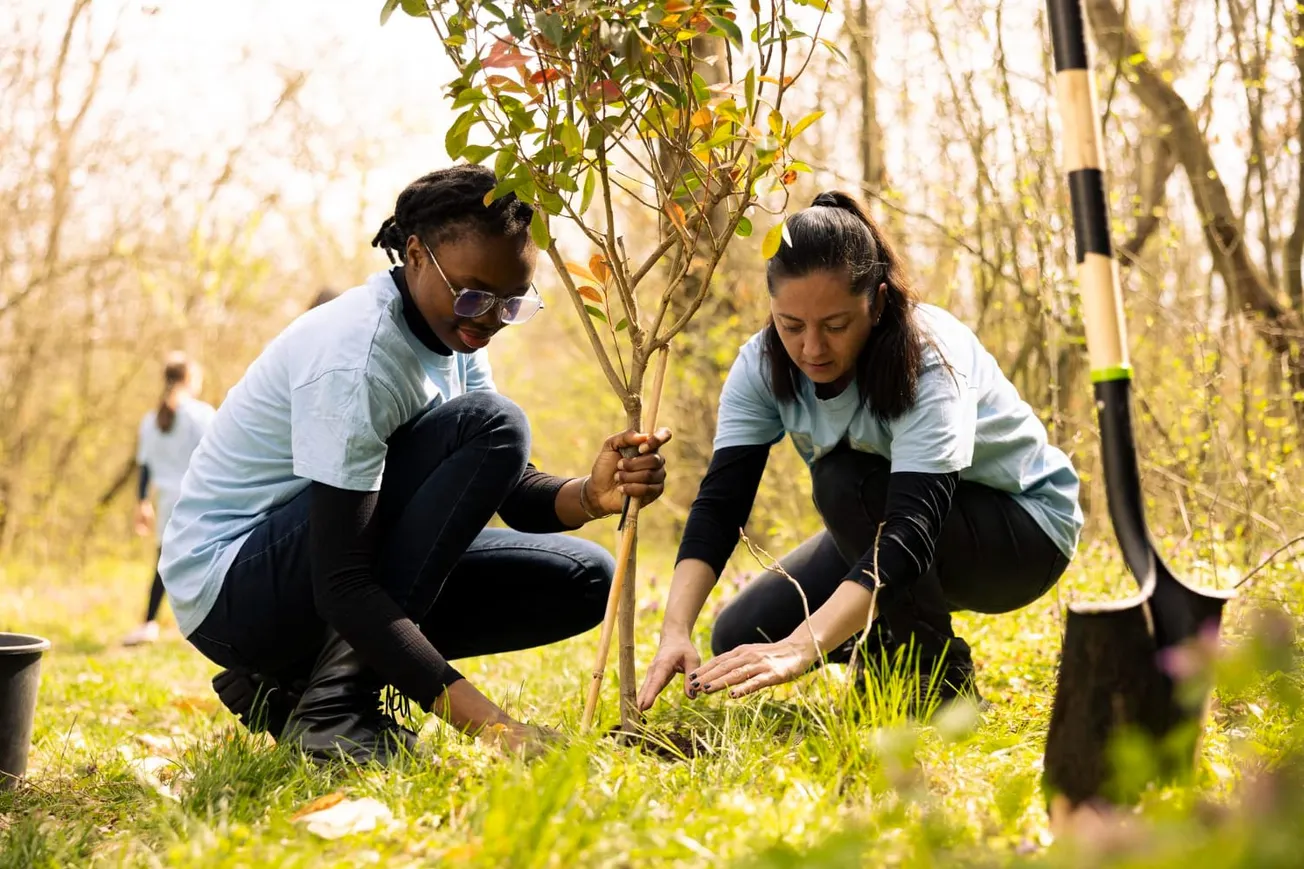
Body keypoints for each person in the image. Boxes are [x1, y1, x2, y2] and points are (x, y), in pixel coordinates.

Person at [160, 164, 671, 764]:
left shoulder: (453, 333)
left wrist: (591, 495)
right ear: (415, 255)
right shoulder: (360, 360)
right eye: (474, 294)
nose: (487, 319)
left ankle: (293, 683)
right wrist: (497, 729)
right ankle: (331, 712)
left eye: (509, 304)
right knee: (496, 421)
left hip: (318, 574)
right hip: (233, 589)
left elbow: (509, 487)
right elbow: (343, 584)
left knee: (584, 578)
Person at [637, 191, 1082, 714]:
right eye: (791, 326)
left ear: (876, 302)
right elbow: (720, 505)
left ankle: (935, 680)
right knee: (741, 634)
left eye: (835, 325)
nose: (811, 349)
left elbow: (912, 528)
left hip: (1022, 534)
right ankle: (883, 648)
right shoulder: (759, 366)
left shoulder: (930, 357)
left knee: (843, 479)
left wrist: (804, 646)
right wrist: (674, 629)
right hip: (894, 524)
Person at [122, 352, 215, 647]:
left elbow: (145, 466)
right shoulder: (202, 414)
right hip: (199, 498)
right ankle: (205, 621)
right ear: (189, 379)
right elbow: (217, 457)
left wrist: (142, 502)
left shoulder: (150, 420)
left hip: (165, 501)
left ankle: (149, 623)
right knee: (207, 560)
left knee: (165, 562)